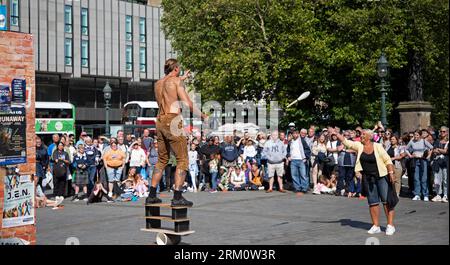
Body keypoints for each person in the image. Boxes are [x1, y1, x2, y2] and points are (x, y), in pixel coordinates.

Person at [146, 58, 208, 207]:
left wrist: (182, 78)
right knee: (182, 159)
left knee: (162, 159)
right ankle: (177, 196)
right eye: (179, 69)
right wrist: (203, 115)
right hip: (173, 119)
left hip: (160, 121)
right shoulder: (176, 81)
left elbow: (169, 85)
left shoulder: (158, 83)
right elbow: (187, 103)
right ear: (176, 69)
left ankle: (152, 195)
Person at [331, 128, 397, 236]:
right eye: (361, 134)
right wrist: (337, 134)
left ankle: (390, 225)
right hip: (368, 178)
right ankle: (376, 226)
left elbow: (387, 160)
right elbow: (347, 142)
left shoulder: (377, 146)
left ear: (369, 137)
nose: (361, 136)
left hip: (381, 176)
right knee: (373, 202)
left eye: (363, 134)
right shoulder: (359, 146)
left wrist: (391, 172)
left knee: (387, 201)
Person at [405, 130, 434, 201]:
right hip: (415, 160)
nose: (415, 136)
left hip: (423, 161)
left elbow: (431, 147)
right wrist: (410, 155)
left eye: (417, 135)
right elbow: (406, 149)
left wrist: (428, 156)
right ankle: (417, 194)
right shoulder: (412, 141)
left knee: (424, 178)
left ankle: (425, 195)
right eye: (415, 135)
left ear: (420, 135)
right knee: (416, 178)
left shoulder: (424, 141)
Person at [286, 129, 311, 194]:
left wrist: (305, 157)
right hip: (293, 160)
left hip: (301, 160)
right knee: (294, 175)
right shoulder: (290, 142)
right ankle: (297, 188)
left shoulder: (302, 141)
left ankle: (304, 188)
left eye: (296, 133)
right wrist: (288, 156)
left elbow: (308, 150)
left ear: (298, 134)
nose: (295, 135)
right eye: (294, 134)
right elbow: (288, 150)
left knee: (303, 175)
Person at [431, 126, 448, 203]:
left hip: (445, 162)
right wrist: (442, 150)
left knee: (445, 179)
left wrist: (439, 150)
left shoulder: (448, 141)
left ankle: (445, 195)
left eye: (444, 131)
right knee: (437, 179)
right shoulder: (437, 141)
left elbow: (446, 152)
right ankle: (438, 194)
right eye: (441, 131)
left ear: (447, 132)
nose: (442, 133)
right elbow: (434, 150)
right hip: (437, 162)